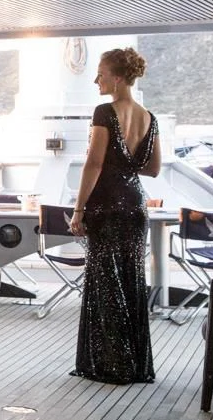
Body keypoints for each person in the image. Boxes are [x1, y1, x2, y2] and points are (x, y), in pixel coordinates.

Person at [69, 47, 160, 385]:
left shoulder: (104, 112)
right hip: (135, 207)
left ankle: (114, 364)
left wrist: (78, 209)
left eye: (101, 74)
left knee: (106, 284)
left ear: (118, 78)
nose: (96, 80)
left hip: (106, 207)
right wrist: (125, 166)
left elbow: (93, 164)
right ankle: (133, 364)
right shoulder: (149, 117)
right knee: (130, 281)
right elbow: (153, 168)